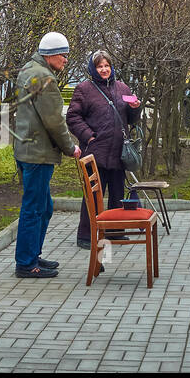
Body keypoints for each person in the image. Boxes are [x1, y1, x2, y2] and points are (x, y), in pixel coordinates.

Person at [12, 31, 80, 279]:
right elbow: (53, 122)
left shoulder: (29, 69)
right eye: (64, 55)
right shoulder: (46, 79)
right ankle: (27, 263)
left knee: (44, 206)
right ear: (51, 55)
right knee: (34, 208)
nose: (66, 60)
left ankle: (32, 255)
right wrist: (70, 147)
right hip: (38, 154)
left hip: (25, 149)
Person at [67, 50, 140, 250]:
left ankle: (115, 232)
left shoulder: (122, 87)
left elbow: (132, 120)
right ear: (93, 69)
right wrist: (88, 136)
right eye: (100, 66)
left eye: (107, 65)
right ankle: (87, 235)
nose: (104, 69)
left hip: (118, 152)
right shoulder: (84, 89)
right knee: (92, 196)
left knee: (117, 193)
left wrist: (135, 108)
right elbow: (73, 117)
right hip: (95, 153)